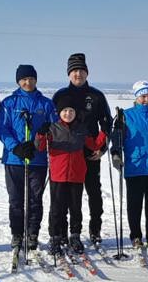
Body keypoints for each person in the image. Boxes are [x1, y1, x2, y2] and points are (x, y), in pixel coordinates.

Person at [0, 64, 57, 252]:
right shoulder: (9, 103)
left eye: (31, 78)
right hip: (15, 160)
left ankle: (32, 233)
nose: (27, 82)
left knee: (34, 198)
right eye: (23, 79)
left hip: (37, 159)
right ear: (18, 81)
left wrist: (43, 136)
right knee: (15, 199)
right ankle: (17, 233)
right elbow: (2, 127)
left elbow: (54, 128)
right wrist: (15, 147)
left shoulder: (46, 104)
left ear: (36, 80)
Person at [52, 53, 111, 244]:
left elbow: (106, 124)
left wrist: (103, 149)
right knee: (64, 196)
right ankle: (61, 232)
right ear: (69, 73)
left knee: (94, 192)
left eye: (81, 70)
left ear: (87, 73)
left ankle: (95, 230)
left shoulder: (96, 96)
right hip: (66, 154)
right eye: (74, 70)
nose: (78, 74)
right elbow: (52, 125)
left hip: (90, 151)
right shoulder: (61, 95)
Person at [38, 95, 107, 255]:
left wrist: (104, 130)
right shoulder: (52, 128)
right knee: (57, 208)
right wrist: (41, 134)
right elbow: (40, 147)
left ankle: (74, 235)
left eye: (71, 111)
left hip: (77, 175)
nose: (68, 113)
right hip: (58, 175)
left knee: (76, 208)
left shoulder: (82, 129)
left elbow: (94, 144)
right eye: (65, 111)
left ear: (75, 113)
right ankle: (56, 236)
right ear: (59, 113)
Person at [110, 81, 148, 250]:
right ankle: (135, 235)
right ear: (136, 97)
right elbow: (116, 137)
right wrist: (115, 153)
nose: (146, 99)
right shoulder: (127, 115)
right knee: (134, 204)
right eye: (143, 96)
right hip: (136, 166)